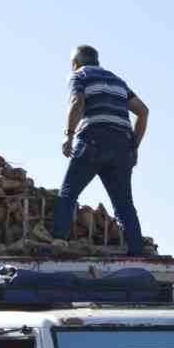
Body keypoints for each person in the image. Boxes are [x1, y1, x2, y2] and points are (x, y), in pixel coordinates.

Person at [46, 45, 150, 254]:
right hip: (121, 148)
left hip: (92, 142)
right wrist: (134, 144)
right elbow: (143, 111)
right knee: (124, 204)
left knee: (68, 193)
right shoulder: (117, 81)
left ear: (75, 63)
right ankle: (136, 250)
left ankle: (58, 242)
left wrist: (68, 135)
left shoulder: (79, 75)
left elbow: (77, 101)